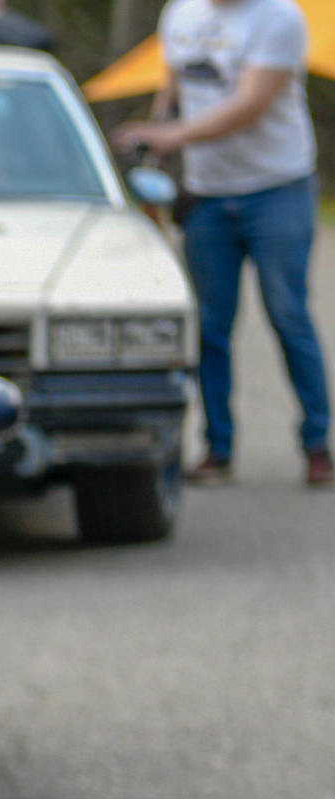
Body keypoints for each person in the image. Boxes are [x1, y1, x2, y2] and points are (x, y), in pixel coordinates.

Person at [119, 0, 329, 486]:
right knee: (210, 326)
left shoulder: (278, 17)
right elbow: (171, 89)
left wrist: (172, 136)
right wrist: (156, 158)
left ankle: (317, 444)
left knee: (288, 313)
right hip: (207, 195)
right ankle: (218, 448)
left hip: (276, 188)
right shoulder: (181, 14)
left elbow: (250, 105)